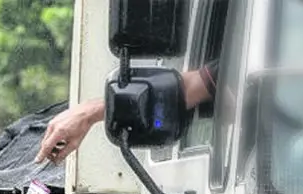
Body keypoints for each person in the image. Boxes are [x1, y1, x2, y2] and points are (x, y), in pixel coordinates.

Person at [36, 65, 217, 164]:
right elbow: (190, 88)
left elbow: (182, 90)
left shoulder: (243, 57)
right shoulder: (239, 59)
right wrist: (89, 112)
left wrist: (89, 113)